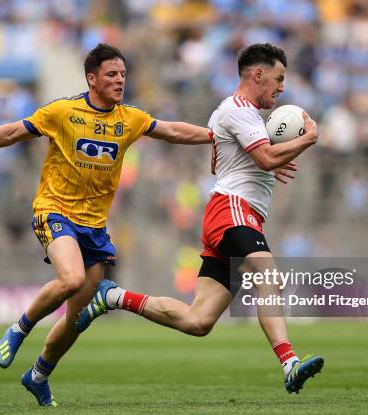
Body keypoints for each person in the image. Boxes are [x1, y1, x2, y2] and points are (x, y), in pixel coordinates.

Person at [0, 43, 212, 406]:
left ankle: (38, 374)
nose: (120, 80)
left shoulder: (129, 118)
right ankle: (18, 329)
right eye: (111, 75)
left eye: (122, 74)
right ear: (91, 78)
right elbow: (10, 133)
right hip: (54, 211)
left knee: (77, 318)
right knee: (70, 279)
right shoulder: (63, 112)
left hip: (95, 227)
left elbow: (173, 131)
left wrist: (217, 136)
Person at [76, 43, 324, 394]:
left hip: (231, 213)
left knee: (198, 321)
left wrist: (266, 163)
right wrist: (305, 141)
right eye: (278, 78)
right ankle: (289, 364)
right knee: (268, 274)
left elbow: (226, 162)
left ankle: (112, 297)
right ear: (258, 74)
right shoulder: (238, 110)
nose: (281, 87)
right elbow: (264, 159)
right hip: (233, 211)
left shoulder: (240, 113)